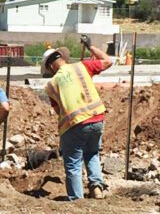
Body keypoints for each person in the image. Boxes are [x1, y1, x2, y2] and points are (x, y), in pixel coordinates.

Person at [42, 35, 114, 201]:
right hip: (96, 118)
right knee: (92, 153)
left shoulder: (51, 85)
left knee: (73, 162)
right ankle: (96, 187)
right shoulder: (82, 67)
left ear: (51, 66)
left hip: (74, 125)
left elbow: (58, 110)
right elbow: (108, 61)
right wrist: (91, 47)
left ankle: (77, 200)